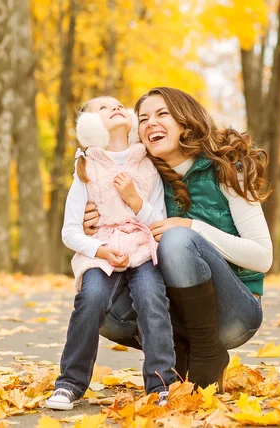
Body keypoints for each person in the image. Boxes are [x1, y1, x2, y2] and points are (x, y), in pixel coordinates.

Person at [84, 87, 273, 393]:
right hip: (177, 313)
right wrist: (91, 223)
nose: (150, 123)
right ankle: (180, 351)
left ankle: (206, 352)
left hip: (236, 313)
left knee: (176, 239)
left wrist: (191, 226)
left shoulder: (227, 166)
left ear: (185, 120)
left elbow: (263, 257)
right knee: (96, 300)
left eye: (162, 114)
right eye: (143, 118)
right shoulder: (144, 177)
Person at [45, 96, 176, 410]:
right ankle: (69, 384)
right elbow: (70, 231)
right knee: (90, 299)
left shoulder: (147, 164)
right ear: (91, 126)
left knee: (151, 298)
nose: (115, 108)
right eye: (102, 108)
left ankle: (161, 386)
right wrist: (100, 249)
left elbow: (158, 220)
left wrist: (135, 201)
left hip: (143, 248)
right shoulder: (86, 167)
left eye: (118, 104)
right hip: (102, 250)